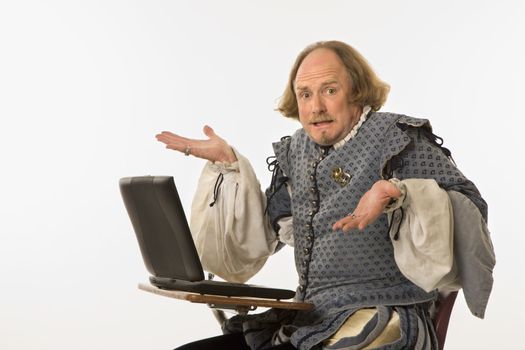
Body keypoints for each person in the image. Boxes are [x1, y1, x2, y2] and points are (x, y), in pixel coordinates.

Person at [156, 41, 495, 350]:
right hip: (312, 320)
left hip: (385, 317)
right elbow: (265, 233)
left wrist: (399, 192)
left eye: (329, 90)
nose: (316, 107)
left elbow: (469, 204)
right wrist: (230, 165)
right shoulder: (297, 152)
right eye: (305, 94)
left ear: (356, 92)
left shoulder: (397, 139)